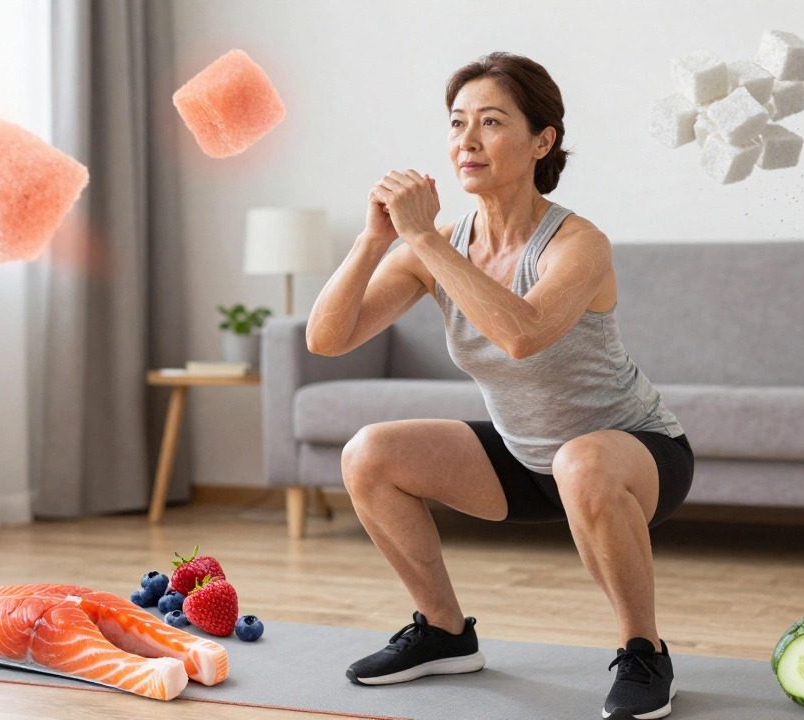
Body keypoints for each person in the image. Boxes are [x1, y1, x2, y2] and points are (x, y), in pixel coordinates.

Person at [305, 51, 694, 720]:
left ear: (541, 141)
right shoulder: (440, 244)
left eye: (491, 122)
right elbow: (327, 338)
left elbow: (522, 336)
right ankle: (443, 633)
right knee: (367, 453)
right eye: (458, 123)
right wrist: (376, 240)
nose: (467, 141)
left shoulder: (576, 242)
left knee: (583, 461)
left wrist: (424, 240)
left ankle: (644, 650)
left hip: (633, 455)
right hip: (524, 458)